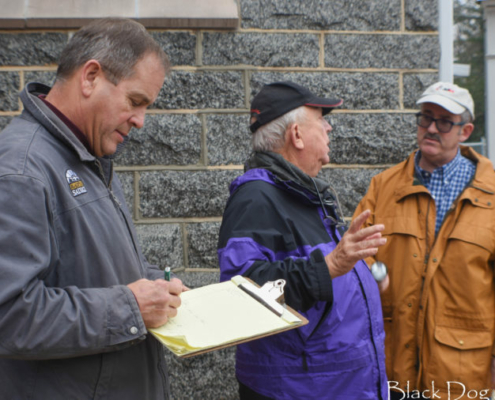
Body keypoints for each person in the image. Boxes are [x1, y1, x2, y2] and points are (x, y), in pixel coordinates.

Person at [0, 18, 183, 400]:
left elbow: (86, 267)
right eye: (135, 102)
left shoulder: (90, 154)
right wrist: (131, 308)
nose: (141, 121)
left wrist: (154, 285)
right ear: (90, 77)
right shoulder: (21, 170)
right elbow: (10, 316)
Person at [217, 81, 389, 400]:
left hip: (339, 385)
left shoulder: (304, 194)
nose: (329, 126)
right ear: (296, 134)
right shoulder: (256, 199)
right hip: (302, 390)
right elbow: (242, 294)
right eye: (321, 118)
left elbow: (321, 275)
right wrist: (334, 265)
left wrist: (362, 279)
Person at [353, 82, 495, 400]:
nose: (431, 128)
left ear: (465, 130)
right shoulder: (383, 186)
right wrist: (378, 275)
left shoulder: (492, 196)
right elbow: (356, 251)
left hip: (462, 371)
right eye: (425, 118)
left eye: (444, 121)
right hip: (392, 364)